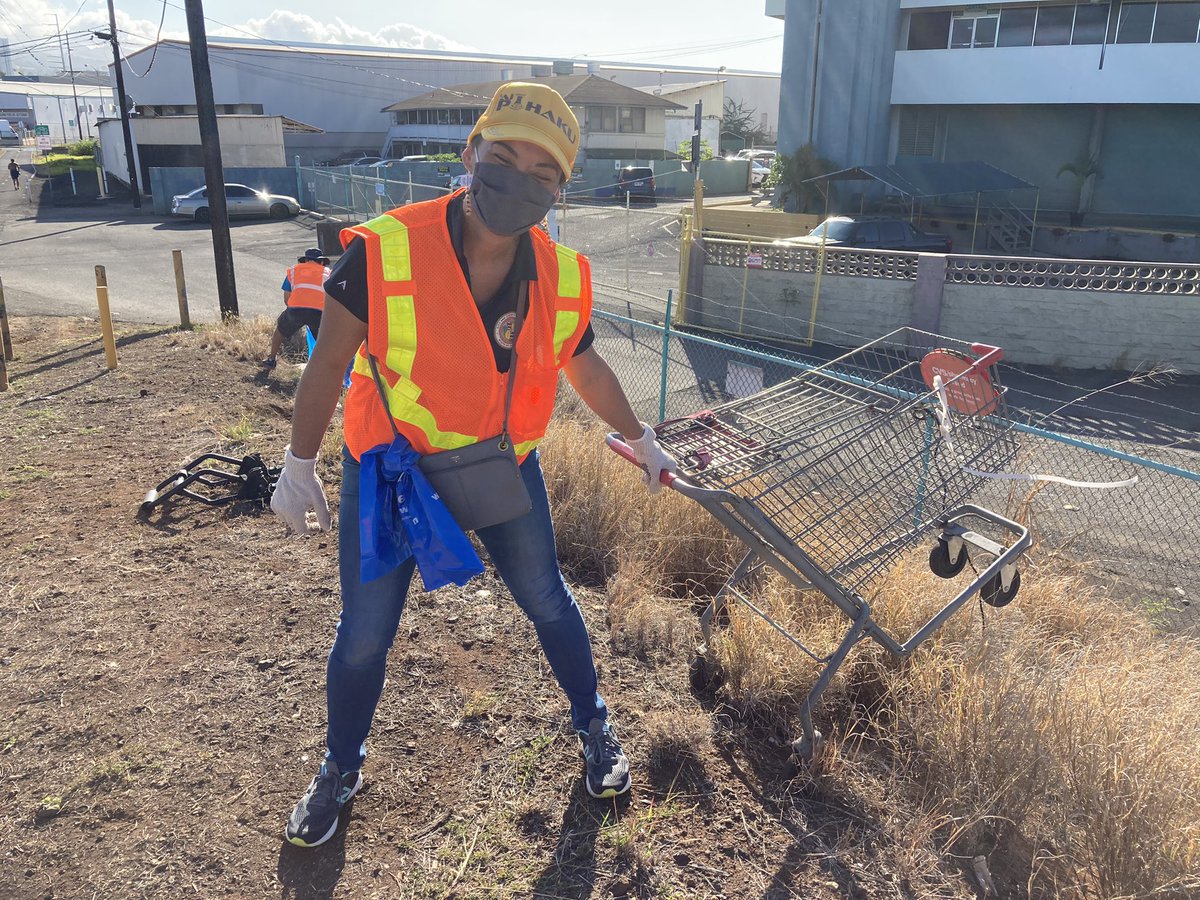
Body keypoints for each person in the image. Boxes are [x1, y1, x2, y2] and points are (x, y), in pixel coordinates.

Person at [270, 81, 677, 849]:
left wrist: (642, 438)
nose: (520, 179)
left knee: (549, 600)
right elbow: (328, 364)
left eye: (544, 173)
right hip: (393, 469)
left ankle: (594, 726)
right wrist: (299, 463)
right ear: (470, 155)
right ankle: (339, 767)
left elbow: (584, 369)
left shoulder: (557, 274)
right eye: (504, 157)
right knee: (363, 634)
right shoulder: (386, 250)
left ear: (559, 192)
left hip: (497, 466)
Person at [262, 248, 330, 369]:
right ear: (321, 262)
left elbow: (286, 298)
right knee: (324, 342)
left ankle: (271, 359)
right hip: (318, 313)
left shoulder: (294, 271)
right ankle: (325, 369)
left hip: (295, 310)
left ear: (305, 260)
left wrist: (294, 311)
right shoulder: (328, 273)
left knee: (280, 331)